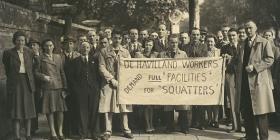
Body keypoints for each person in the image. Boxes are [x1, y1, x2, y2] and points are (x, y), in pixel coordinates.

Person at [235, 20, 275, 140]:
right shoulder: (241, 44)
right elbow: (238, 59)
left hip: (259, 83)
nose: (248, 30)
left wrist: (255, 67)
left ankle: (264, 138)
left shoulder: (264, 42)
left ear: (256, 28)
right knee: (247, 112)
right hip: (245, 83)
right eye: (246, 28)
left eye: (250, 28)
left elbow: (269, 59)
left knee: (261, 113)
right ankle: (251, 137)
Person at [99, 30, 133, 140]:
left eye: (119, 38)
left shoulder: (125, 52)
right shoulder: (104, 51)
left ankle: (126, 129)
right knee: (108, 107)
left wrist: (122, 80)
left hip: (122, 83)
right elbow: (101, 67)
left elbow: (130, 66)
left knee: (124, 107)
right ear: (111, 38)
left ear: (121, 39)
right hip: (108, 83)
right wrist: (111, 79)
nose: (117, 40)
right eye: (115, 38)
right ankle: (108, 130)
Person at [2, 31, 37, 140]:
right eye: (18, 40)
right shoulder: (8, 53)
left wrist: (37, 56)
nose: (20, 42)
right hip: (15, 83)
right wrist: (13, 78)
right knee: (15, 111)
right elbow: (7, 69)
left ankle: (28, 135)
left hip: (27, 83)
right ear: (14, 41)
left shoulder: (30, 52)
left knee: (28, 110)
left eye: (22, 40)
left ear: (25, 41)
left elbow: (36, 65)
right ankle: (16, 136)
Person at [35, 39, 68, 140]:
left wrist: (64, 87)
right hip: (48, 87)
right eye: (46, 46)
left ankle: (60, 132)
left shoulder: (58, 57)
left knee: (60, 110)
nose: (49, 47)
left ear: (53, 46)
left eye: (50, 45)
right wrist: (43, 77)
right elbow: (35, 72)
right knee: (50, 110)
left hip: (58, 87)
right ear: (43, 47)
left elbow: (62, 72)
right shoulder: (40, 58)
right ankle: (53, 133)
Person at [158, 34, 191, 134]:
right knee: (168, 106)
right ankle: (169, 127)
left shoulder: (183, 54)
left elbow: (187, 68)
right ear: (168, 43)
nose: (174, 44)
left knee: (182, 106)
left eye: (176, 42)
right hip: (167, 84)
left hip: (179, 84)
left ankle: (184, 127)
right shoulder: (162, 54)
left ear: (178, 43)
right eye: (172, 42)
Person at [71, 42, 100, 140]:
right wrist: (76, 89)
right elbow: (72, 77)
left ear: (90, 49)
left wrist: (97, 87)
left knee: (94, 111)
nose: (85, 49)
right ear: (80, 48)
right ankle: (82, 133)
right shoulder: (75, 61)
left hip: (93, 90)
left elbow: (98, 75)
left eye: (87, 47)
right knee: (81, 112)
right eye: (83, 47)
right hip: (80, 90)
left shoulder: (95, 60)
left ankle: (94, 133)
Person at [135, 38, 157, 133]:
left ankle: (151, 123)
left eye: (150, 45)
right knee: (145, 105)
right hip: (142, 82)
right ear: (144, 45)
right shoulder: (138, 55)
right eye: (147, 44)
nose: (148, 47)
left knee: (151, 105)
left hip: (152, 82)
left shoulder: (156, 55)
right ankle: (147, 125)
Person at [61, 36, 80, 137]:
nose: (69, 45)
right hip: (64, 86)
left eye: (71, 43)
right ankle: (65, 131)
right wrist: (63, 88)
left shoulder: (78, 55)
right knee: (65, 110)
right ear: (63, 45)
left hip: (75, 87)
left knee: (75, 109)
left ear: (74, 45)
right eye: (67, 43)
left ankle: (75, 131)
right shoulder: (59, 56)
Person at [224, 28, 242, 132]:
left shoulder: (242, 46)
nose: (231, 37)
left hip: (241, 76)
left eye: (233, 35)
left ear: (237, 36)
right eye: (230, 35)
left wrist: (231, 59)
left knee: (243, 101)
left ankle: (248, 126)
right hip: (230, 75)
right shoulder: (224, 48)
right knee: (232, 100)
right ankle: (235, 126)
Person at [205, 34, 220, 128]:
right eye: (208, 41)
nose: (210, 43)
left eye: (211, 41)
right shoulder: (204, 52)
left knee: (215, 101)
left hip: (216, 79)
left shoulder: (219, 51)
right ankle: (210, 119)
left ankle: (216, 119)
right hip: (206, 78)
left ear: (214, 42)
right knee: (208, 101)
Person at [28, 38, 42, 135]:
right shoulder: (27, 56)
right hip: (30, 84)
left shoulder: (41, 57)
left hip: (40, 84)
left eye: (34, 45)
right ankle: (32, 127)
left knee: (37, 106)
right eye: (30, 45)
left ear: (38, 46)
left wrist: (37, 57)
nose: (32, 47)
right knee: (31, 106)